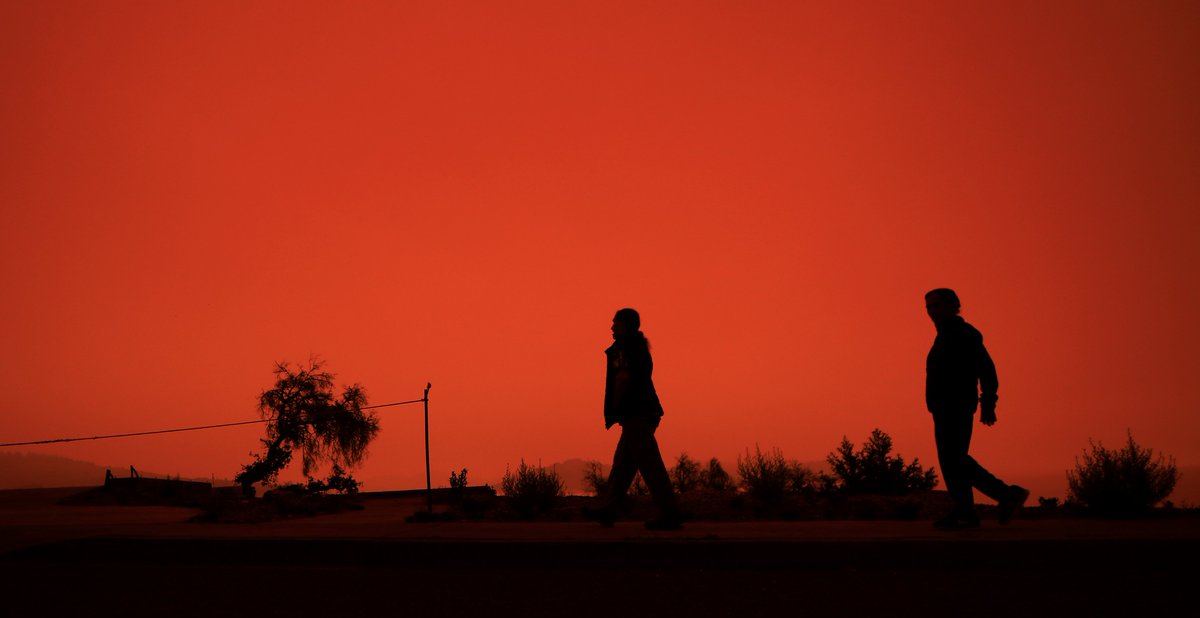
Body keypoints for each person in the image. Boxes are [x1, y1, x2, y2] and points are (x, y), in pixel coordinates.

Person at [924, 288, 1029, 529]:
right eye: (928, 307)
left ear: (953, 306)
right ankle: (965, 512)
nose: (931, 311)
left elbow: (986, 369)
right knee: (951, 461)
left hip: (957, 407)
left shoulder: (964, 334)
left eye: (936, 305)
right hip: (942, 408)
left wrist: (988, 403)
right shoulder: (944, 336)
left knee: (955, 460)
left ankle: (1006, 495)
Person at [583, 308, 683, 530]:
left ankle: (670, 513)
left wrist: (617, 407)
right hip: (643, 412)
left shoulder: (624, 349)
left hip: (636, 414)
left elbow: (622, 378)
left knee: (650, 465)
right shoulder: (638, 348)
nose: (611, 327)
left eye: (615, 323)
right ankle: (608, 509)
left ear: (624, 325)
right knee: (623, 465)